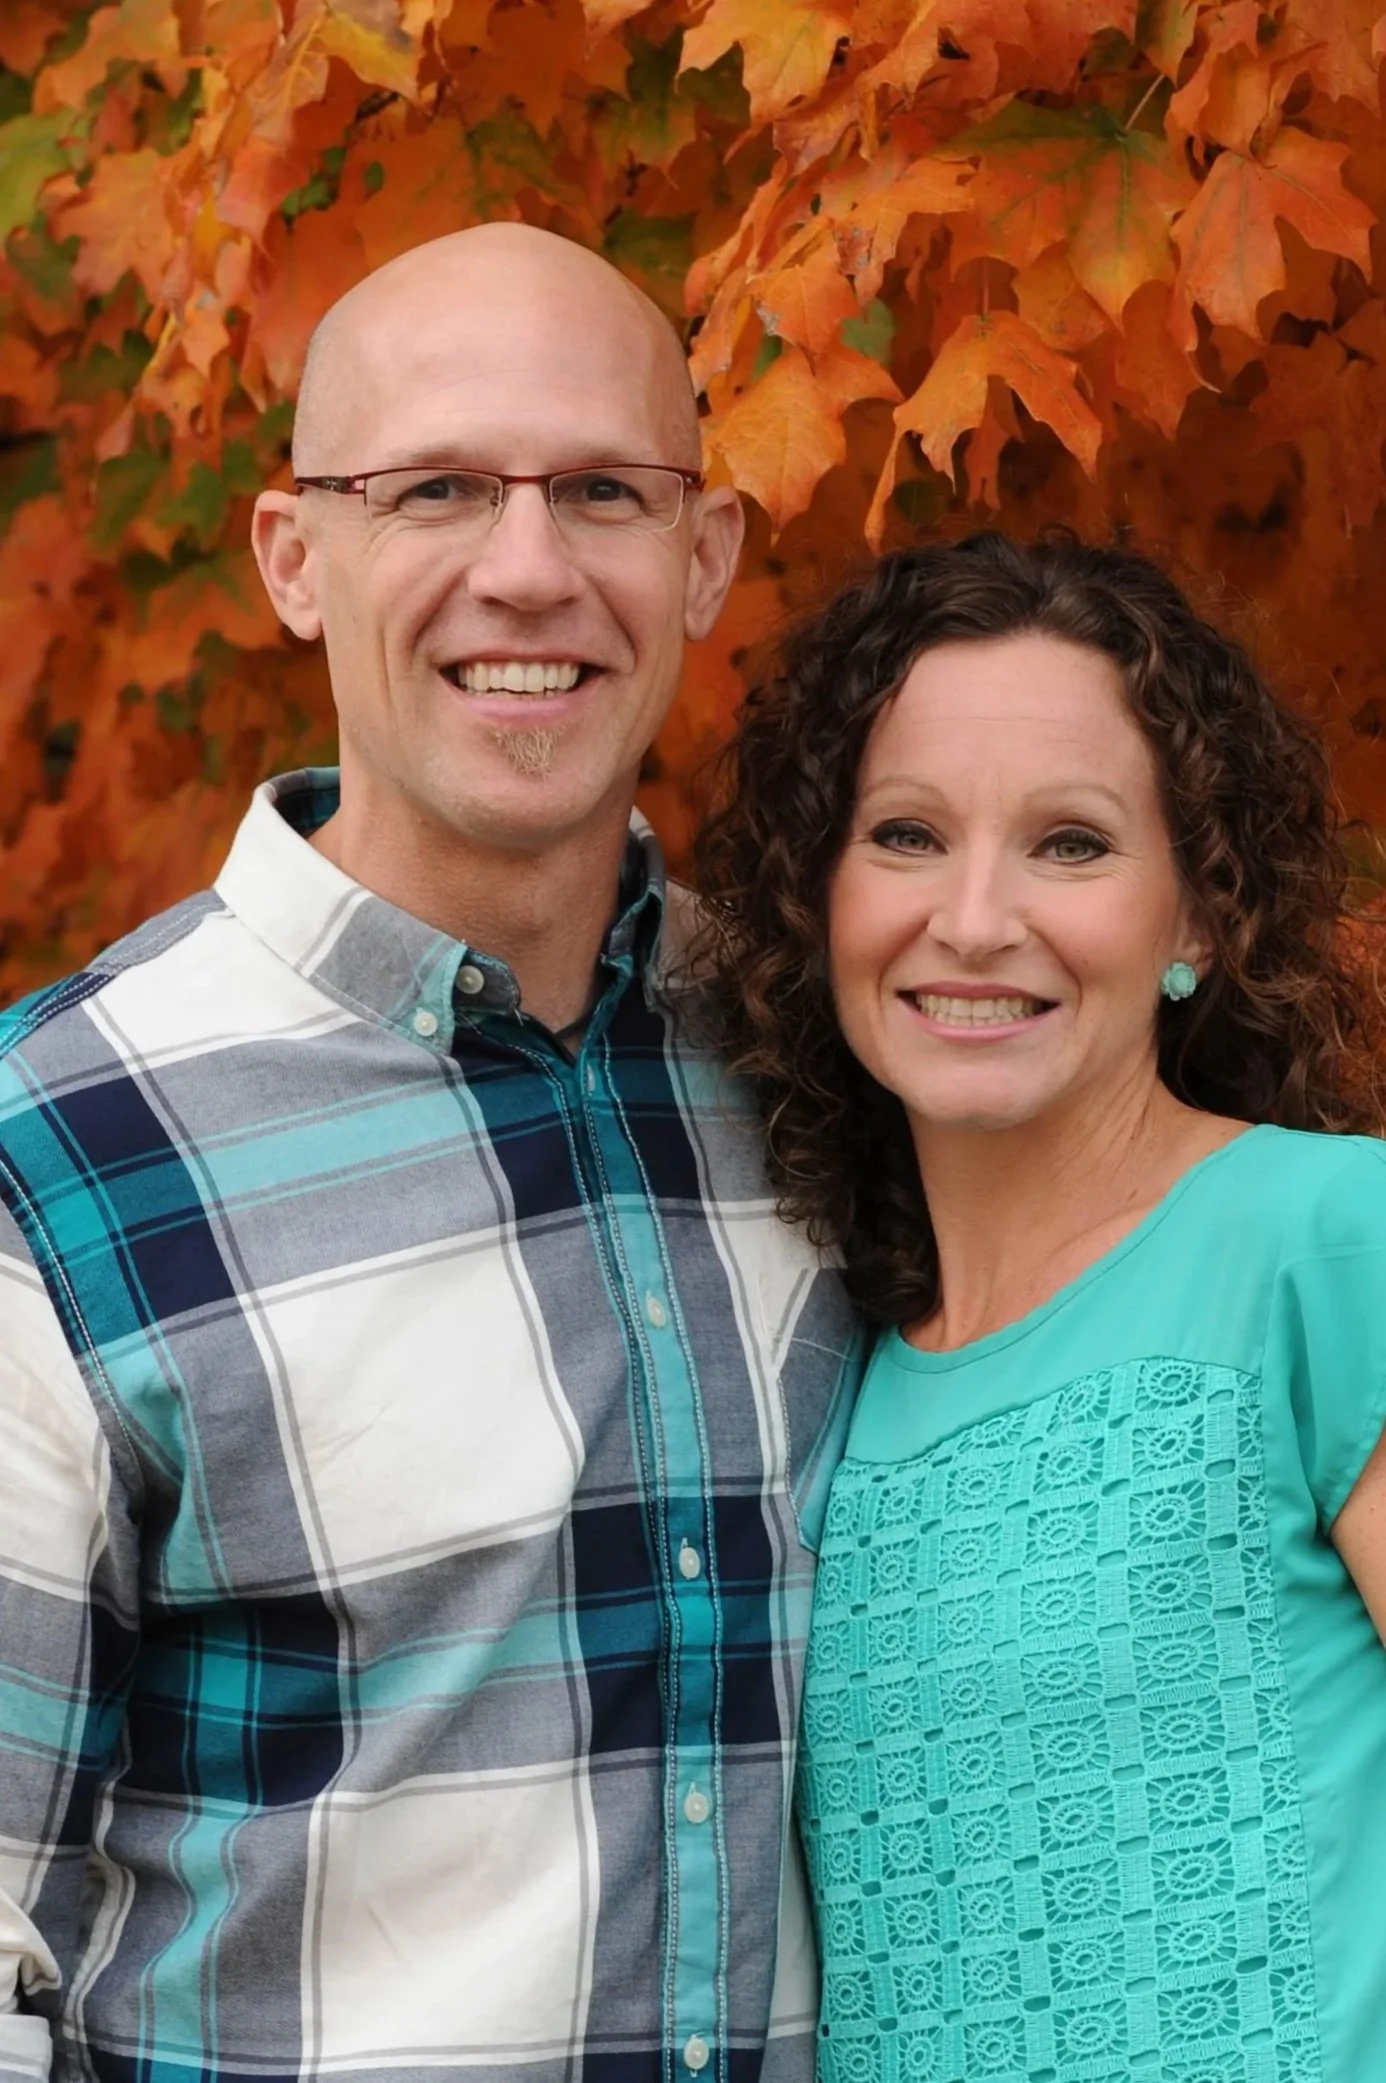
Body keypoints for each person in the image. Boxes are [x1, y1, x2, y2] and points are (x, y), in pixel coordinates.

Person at [0, 224, 864, 2083]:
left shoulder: (834, 1071)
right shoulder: (56, 1153)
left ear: (703, 556)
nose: (530, 569)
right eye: (440, 488)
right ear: (294, 558)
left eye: (605, 491)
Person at [695, 531, 1386, 2082]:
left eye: (1069, 844)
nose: (975, 916)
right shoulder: (825, 1375)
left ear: (1197, 917)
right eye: (904, 834)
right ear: (819, 899)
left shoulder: (1327, 1244)